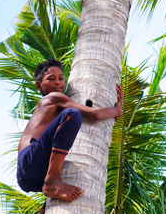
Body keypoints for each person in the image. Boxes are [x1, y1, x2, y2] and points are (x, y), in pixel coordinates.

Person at [17, 59, 122, 203]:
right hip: (30, 158)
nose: (58, 82)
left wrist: (113, 116)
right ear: (38, 85)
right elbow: (95, 115)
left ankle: (45, 206)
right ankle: (52, 180)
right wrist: (117, 110)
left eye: (61, 78)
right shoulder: (53, 98)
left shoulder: (52, 109)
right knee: (72, 114)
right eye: (51, 79)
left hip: (30, 177)